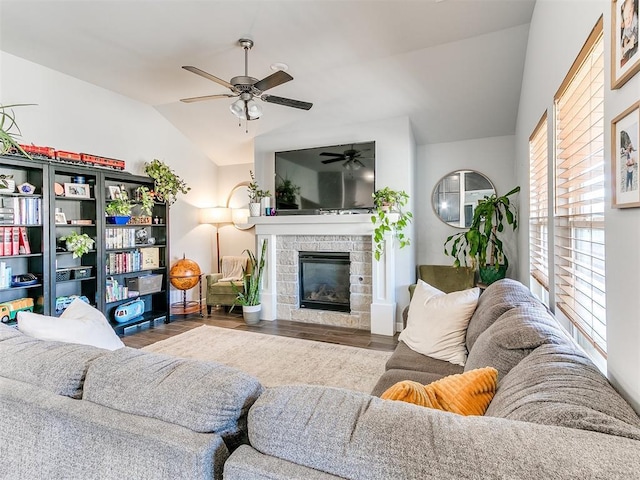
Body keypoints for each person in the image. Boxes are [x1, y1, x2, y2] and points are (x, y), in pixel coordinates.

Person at [621, 0, 638, 66]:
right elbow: (624, 36)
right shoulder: (626, 26)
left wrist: (633, 38)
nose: (627, 21)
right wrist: (623, 45)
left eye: (628, 17)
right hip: (629, 48)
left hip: (635, 43)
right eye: (625, 19)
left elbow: (636, 29)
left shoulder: (634, 20)